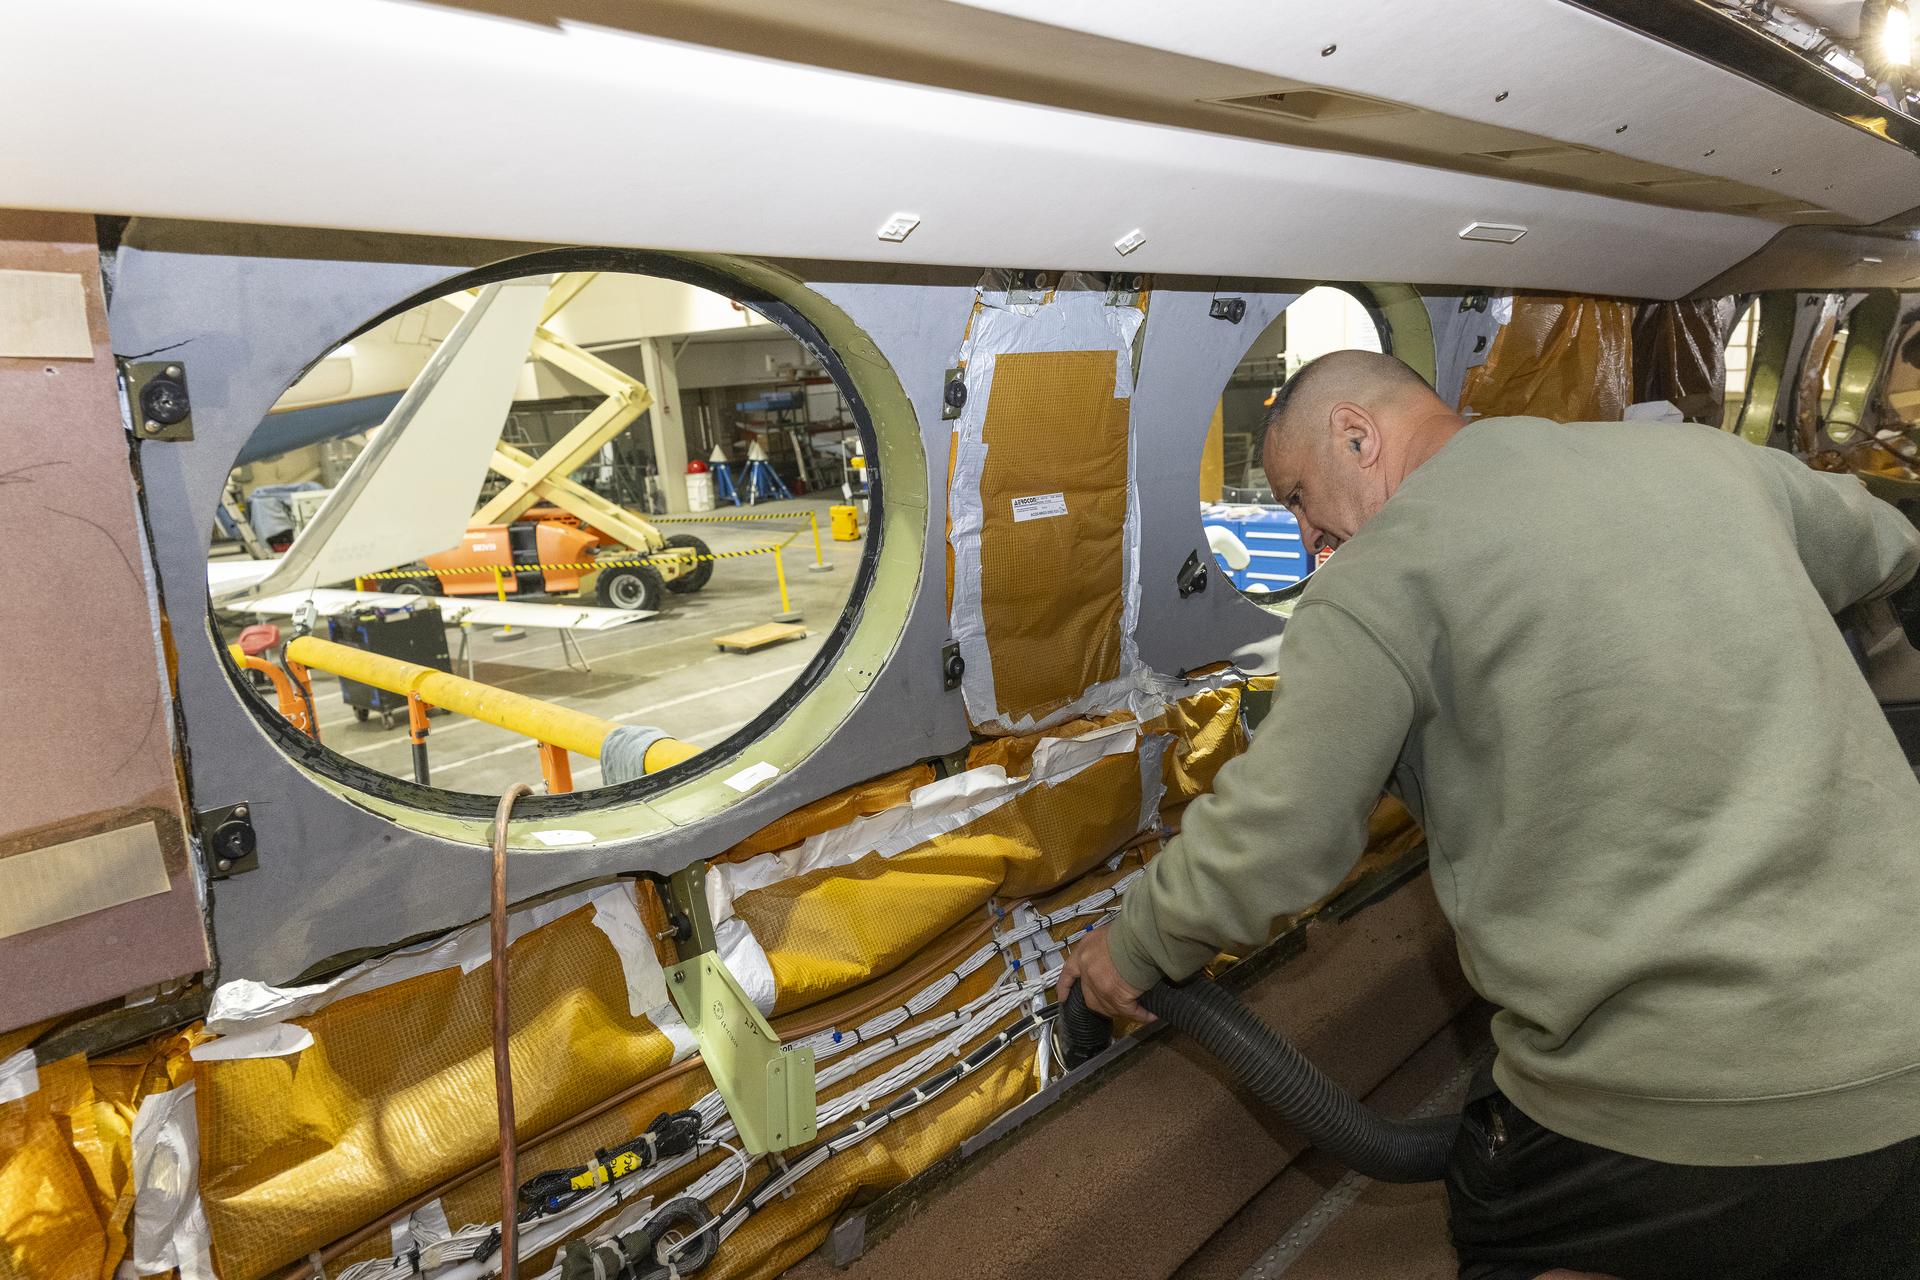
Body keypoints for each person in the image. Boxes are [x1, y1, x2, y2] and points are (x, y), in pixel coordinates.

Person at [1058, 350, 1920, 1280]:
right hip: (1902, 1041)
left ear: (1359, 433)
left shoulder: (1382, 577)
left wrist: (1131, 949)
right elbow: (1888, 543)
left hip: (1685, 1098)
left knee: (1502, 1215)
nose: (1309, 538)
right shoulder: (1713, 462)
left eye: (1302, 496)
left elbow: (1277, 837)